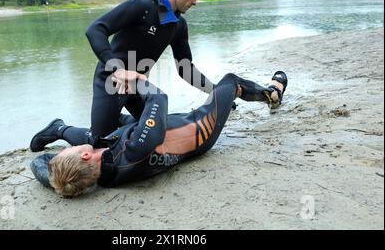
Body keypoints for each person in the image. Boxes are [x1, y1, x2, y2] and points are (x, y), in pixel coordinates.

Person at [30, 71, 288, 198]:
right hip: (199, 129)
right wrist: (137, 78)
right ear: (85, 155)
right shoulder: (136, 148)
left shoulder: (96, 176)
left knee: (100, 135)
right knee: (231, 82)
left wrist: (59, 181)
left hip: (133, 133)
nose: (67, 151)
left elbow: (39, 164)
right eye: (69, 150)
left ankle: (59, 129)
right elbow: (158, 97)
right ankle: (273, 94)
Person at [85, 0, 217, 143]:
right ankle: (59, 129)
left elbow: (185, 69)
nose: (195, 2)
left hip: (137, 86)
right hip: (112, 81)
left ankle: (119, 119)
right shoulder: (142, 7)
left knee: (160, 134)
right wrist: (118, 69)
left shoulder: (178, 26)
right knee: (101, 144)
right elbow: (95, 29)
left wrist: (215, 91)